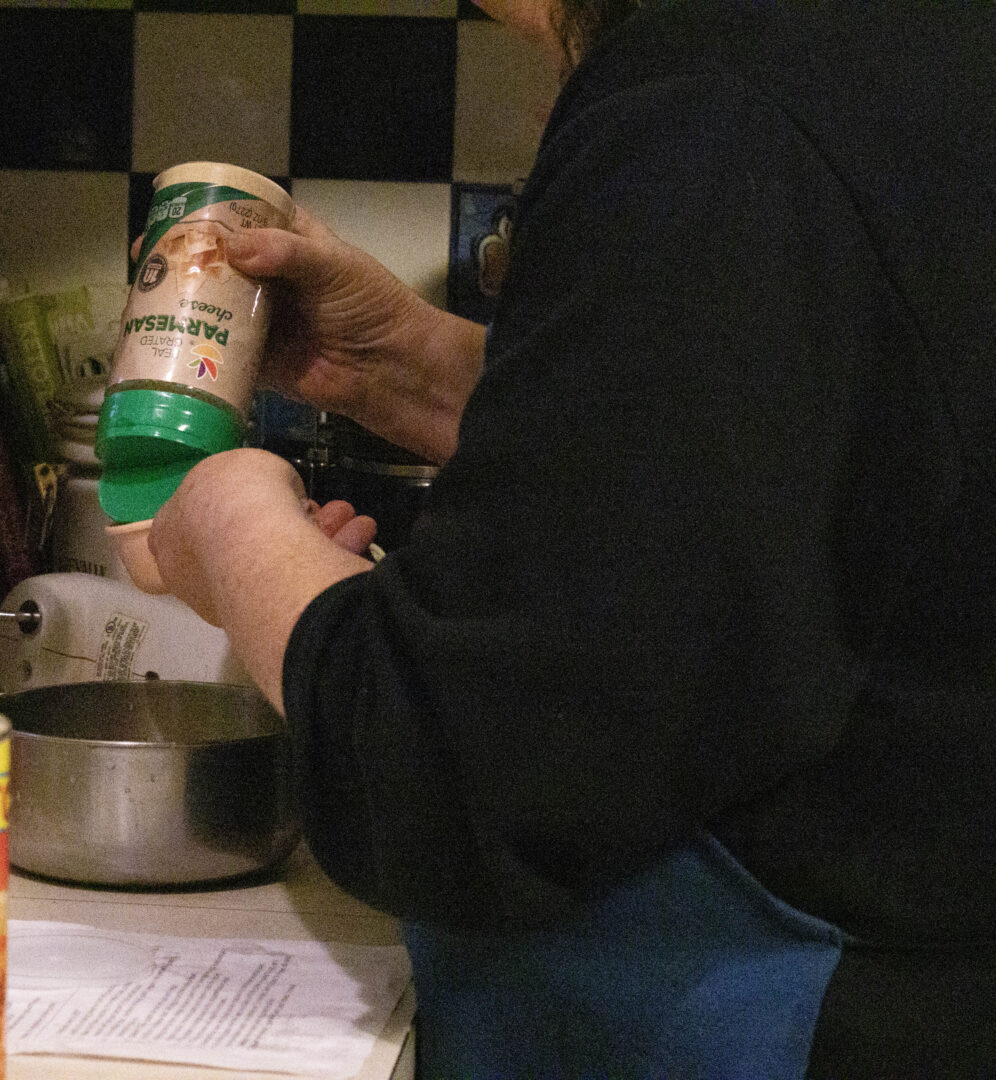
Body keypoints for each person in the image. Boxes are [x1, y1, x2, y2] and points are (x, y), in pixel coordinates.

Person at [145, 1, 996, 1075]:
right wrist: (420, 370)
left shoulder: (714, 106)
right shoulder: (874, 55)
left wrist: (234, 527)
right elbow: (774, 465)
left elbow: (460, 773)